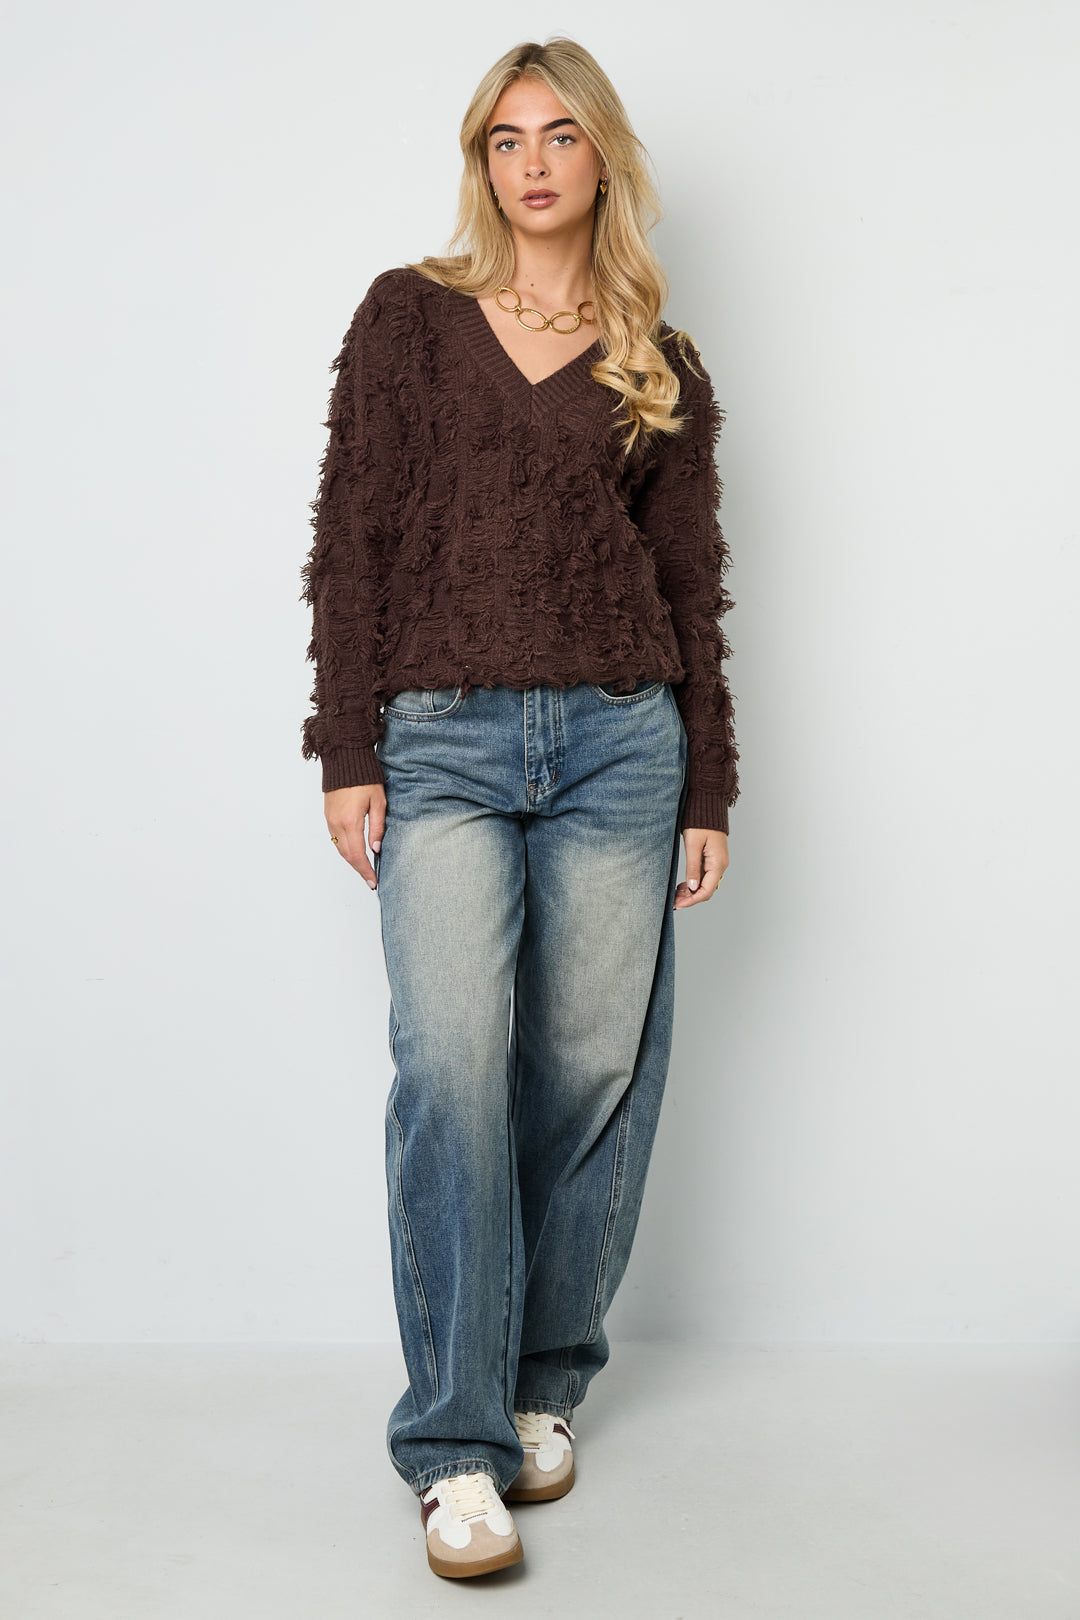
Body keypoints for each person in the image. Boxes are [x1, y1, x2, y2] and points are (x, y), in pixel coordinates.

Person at [299, 36, 739, 1580]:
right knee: (450, 1071)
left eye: (559, 136)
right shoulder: (407, 318)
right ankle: (453, 1444)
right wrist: (346, 749)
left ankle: (544, 1379)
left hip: (624, 743)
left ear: (601, 158)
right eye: (505, 138)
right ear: (480, 162)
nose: (532, 162)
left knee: (588, 1069)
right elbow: (350, 536)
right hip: (442, 743)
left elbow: (690, 585)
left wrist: (709, 780)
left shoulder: (660, 359)